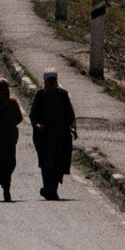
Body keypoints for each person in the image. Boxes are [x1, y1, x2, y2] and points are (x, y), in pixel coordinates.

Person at [31, 68, 76, 200]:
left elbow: (70, 113)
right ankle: (48, 188)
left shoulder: (63, 95)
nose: (51, 83)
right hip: (44, 137)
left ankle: (52, 190)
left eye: (53, 80)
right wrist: (37, 125)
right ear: (44, 82)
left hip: (60, 136)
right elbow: (33, 114)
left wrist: (73, 127)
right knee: (46, 164)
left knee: (58, 164)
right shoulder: (40, 95)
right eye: (49, 80)